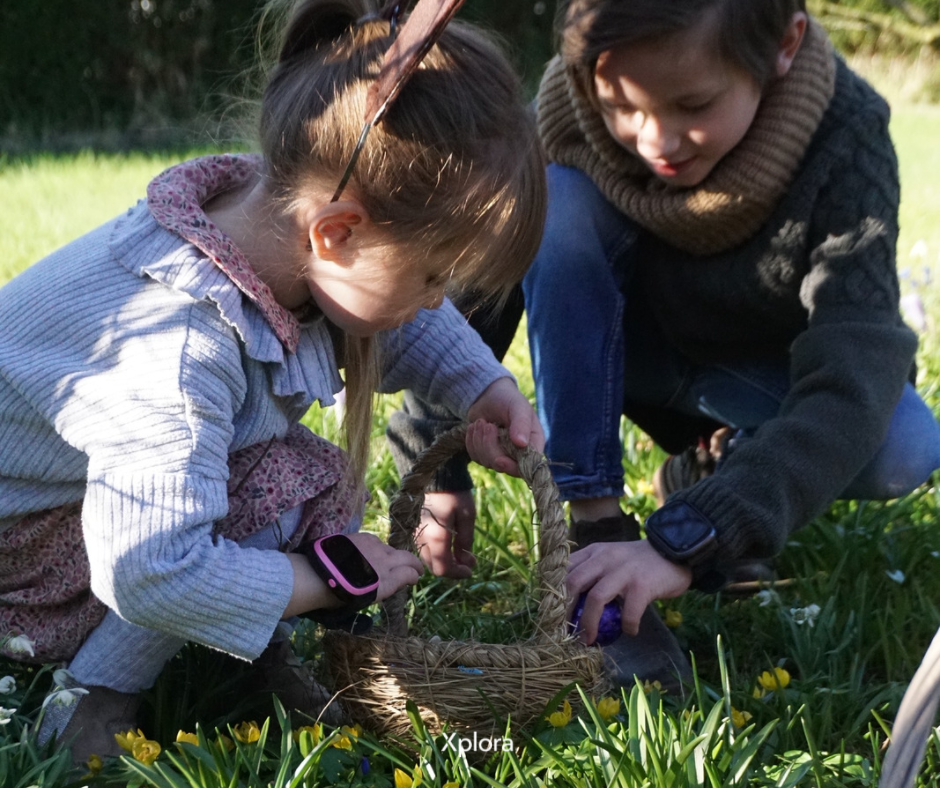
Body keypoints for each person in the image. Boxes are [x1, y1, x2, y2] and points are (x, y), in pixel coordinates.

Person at [0, 0, 546, 762]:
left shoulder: (277, 221)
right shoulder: (180, 346)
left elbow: (404, 319)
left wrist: (485, 389)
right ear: (337, 232)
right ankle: (93, 701)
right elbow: (152, 568)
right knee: (271, 492)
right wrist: (324, 578)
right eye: (433, 274)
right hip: (20, 557)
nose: (435, 298)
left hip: (80, 513)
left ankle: (240, 649)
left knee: (284, 478)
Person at [391, 0, 940, 691]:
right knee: (552, 205)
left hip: (750, 376)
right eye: (624, 105)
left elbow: (858, 362)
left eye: (693, 104)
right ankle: (596, 533)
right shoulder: (565, 113)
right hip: (616, 356)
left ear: (784, 45)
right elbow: (477, 290)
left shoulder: (844, 135)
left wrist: (697, 537)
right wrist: (437, 463)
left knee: (902, 446)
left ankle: (712, 470)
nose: (657, 138)